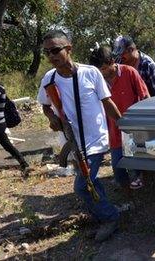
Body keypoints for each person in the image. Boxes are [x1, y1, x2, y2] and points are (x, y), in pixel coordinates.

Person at [37, 30, 121, 242]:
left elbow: (107, 103)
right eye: (47, 52)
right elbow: (45, 106)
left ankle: (110, 217)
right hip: (72, 143)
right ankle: (103, 213)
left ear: (69, 49)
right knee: (90, 182)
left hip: (95, 141)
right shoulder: (49, 79)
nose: (51, 56)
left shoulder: (91, 72)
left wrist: (124, 126)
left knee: (82, 186)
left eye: (55, 50)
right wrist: (52, 119)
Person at [89, 45, 150, 191]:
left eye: (103, 69)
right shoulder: (96, 79)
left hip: (134, 128)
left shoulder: (129, 72)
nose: (101, 74)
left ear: (111, 62)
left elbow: (145, 97)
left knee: (137, 164)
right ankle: (124, 191)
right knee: (118, 166)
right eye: (98, 71)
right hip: (113, 130)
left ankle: (141, 184)